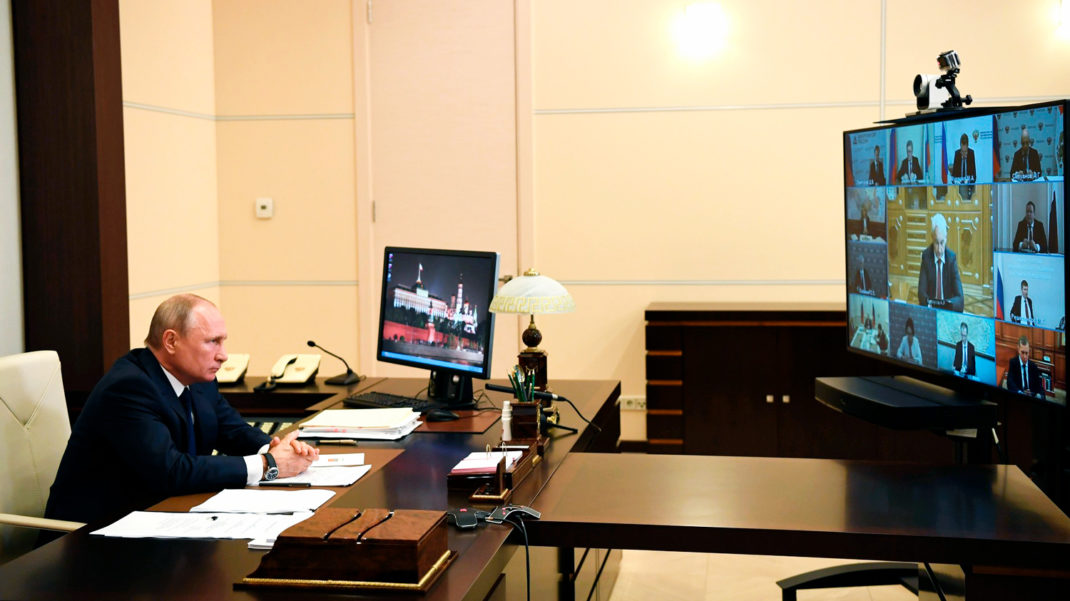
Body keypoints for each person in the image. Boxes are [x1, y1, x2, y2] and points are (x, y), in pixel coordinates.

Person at [45, 294, 319, 526]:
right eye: (212, 342)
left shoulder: (198, 380)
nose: (223, 355)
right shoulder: (129, 387)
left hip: (162, 519)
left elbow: (231, 429)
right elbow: (170, 471)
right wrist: (267, 464)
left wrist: (276, 448)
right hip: (97, 536)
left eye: (223, 341)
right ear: (171, 341)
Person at [917, 213, 964, 311]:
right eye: (936, 243)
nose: (939, 249)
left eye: (942, 243)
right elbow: (921, 293)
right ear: (932, 238)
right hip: (931, 310)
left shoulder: (951, 259)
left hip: (947, 310)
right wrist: (932, 305)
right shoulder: (926, 257)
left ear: (946, 238)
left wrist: (946, 305)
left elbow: (960, 299)